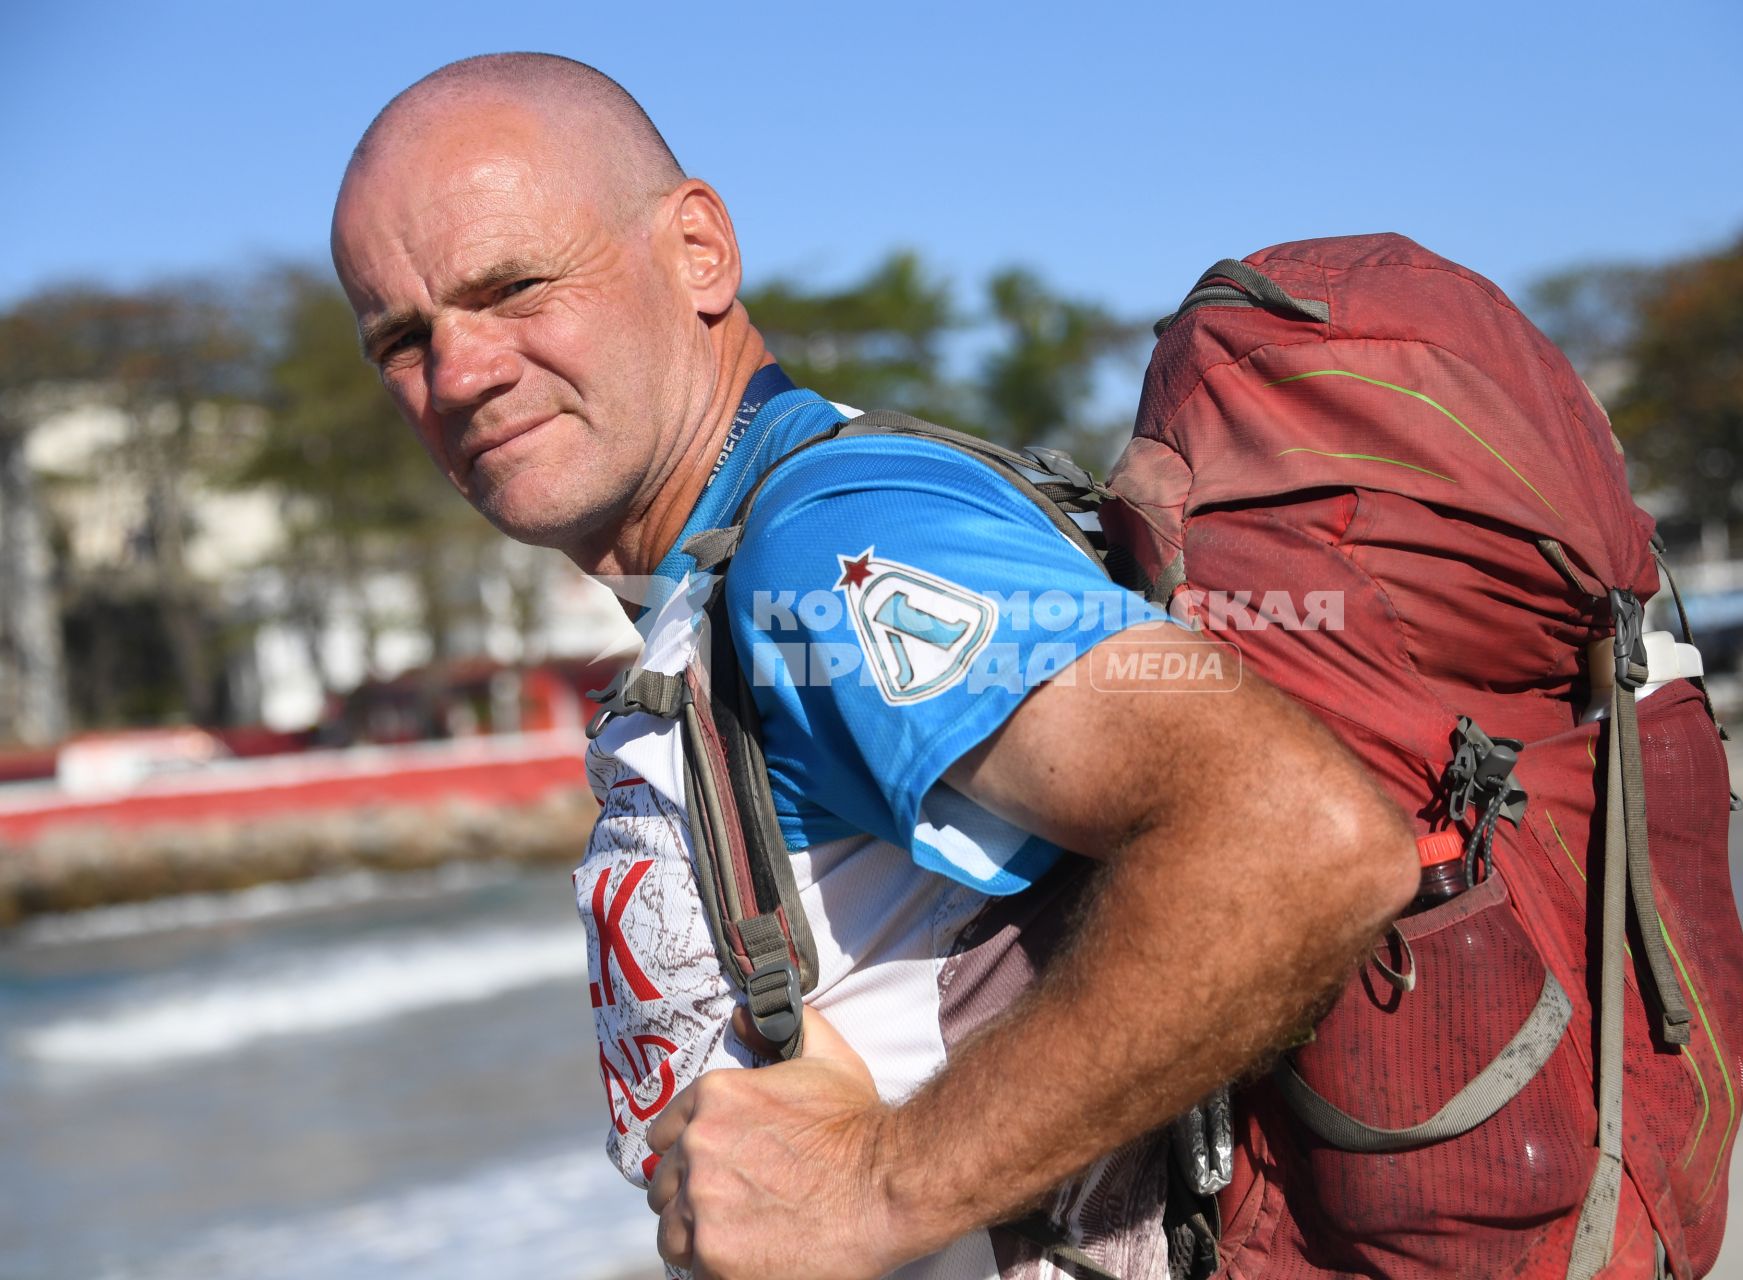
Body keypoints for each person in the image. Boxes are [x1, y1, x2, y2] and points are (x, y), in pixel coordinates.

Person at [331, 53, 1414, 1280]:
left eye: (515, 285)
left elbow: (1301, 839)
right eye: (404, 339)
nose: (461, 372)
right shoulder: (719, 581)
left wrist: (881, 1188)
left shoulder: (829, 542)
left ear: (700, 251)